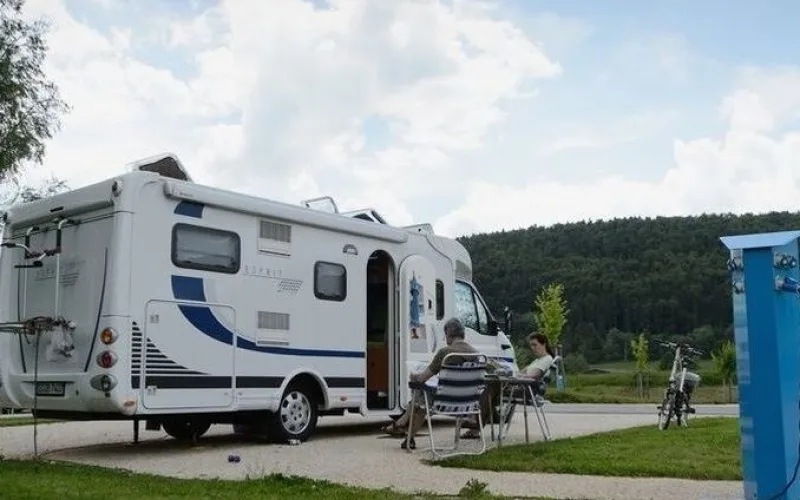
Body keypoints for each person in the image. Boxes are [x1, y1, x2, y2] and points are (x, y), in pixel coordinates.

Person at [381, 317, 478, 448]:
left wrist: (414, 376)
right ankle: (403, 429)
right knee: (422, 394)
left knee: (421, 393)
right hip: (468, 404)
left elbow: (423, 378)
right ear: (462, 334)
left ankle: (402, 428)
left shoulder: (446, 352)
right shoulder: (477, 354)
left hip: (445, 403)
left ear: (448, 334)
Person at [460, 331, 554, 439]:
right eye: (531, 345)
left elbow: (532, 376)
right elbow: (521, 373)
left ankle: (475, 423)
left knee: (492, 387)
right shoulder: (538, 360)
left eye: (535, 345)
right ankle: (475, 425)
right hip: (522, 386)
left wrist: (514, 376)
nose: (532, 348)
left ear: (544, 344)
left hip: (527, 389)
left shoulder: (546, 359)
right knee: (492, 390)